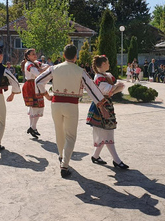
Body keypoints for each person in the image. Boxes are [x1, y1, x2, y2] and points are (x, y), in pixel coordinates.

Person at [35, 44, 109, 178]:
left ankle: (61, 156)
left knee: (59, 131)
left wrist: (45, 94)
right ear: (76, 56)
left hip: (56, 104)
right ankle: (64, 165)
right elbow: (91, 88)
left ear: (63, 55)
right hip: (71, 105)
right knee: (70, 136)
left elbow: (38, 80)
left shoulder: (54, 68)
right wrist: (101, 105)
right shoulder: (80, 71)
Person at [86, 55, 129, 169]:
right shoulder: (98, 78)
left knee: (106, 133)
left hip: (107, 104)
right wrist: (114, 88)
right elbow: (110, 89)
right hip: (101, 106)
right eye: (108, 62)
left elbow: (117, 87)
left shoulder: (107, 75)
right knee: (107, 133)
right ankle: (117, 160)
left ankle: (95, 156)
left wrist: (113, 89)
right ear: (103, 64)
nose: (109, 64)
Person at [21, 49, 49, 139]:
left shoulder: (35, 63)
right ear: (28, 56)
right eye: (32, 54)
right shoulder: (29, 64)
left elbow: (46, 66)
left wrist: (44, 67)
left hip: (35, 85)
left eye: (35, 54)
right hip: (31, 85)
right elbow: (37, 73)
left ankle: (33, 127)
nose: (35, 55)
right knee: (36, 106)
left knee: (35, 107)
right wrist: (44, 69)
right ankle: (32, 127)